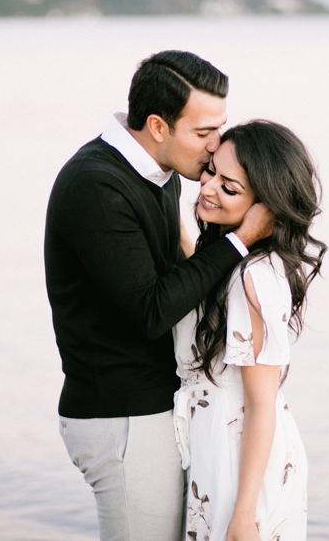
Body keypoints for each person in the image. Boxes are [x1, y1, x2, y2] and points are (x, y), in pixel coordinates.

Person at [44, 51, 274, 541]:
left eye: (220, 128)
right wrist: (239, 241)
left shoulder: (160, 173)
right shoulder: (97, 186)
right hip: (121, 415)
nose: (216, 148)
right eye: (203, 133)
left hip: (149, 409)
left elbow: (176, 272)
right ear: (157, 126)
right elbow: (150, 311)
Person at [173, 120, 326, 541]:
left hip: (241, 463)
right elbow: (198, 282)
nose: (207, 188)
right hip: (215, 448)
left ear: (265, 209)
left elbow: (262, 403)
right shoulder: (229, 257)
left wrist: (244, 513)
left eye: (230, 187)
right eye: (211, 172)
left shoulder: (255, 278)